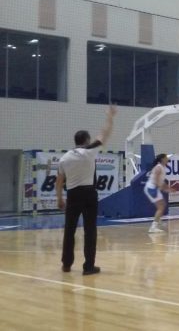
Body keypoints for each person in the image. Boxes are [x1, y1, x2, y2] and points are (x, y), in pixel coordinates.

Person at [55, 105, 116, 275]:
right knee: (90, 231)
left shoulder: (64, 158)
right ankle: (89, 267)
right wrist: (110, 116)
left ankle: (66, 264)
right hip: (89, 194)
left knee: (69, 230)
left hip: (73, 194)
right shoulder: (89, 151)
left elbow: (59, 182)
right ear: (87, 140)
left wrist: (59, 199)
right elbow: (104, 134)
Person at [144, 153, 173, 233]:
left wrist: (168, 188)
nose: (168, 159)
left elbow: (161, 181)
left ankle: (158, 221)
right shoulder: (158, 167)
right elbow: (156, 179)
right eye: (166, 157)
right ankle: (153, 227)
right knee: (161, 207)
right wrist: (160, 187)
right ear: (162, 159)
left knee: (162, 205)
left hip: (154, 188)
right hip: (152, 188)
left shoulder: (162, 167)